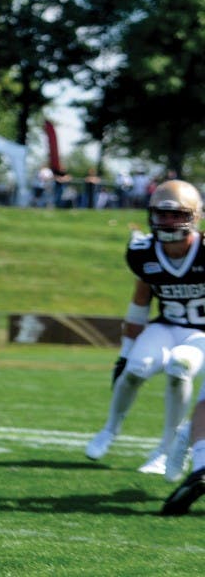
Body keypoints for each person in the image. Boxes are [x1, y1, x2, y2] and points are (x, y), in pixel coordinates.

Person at [83, 181, 205, 487]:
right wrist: (124, 353)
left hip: (201, 333)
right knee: (134, 369)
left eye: (175, 215)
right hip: (166, 325)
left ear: (194, 216)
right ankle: (110, 429)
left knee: (180, 367)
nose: (166, 222)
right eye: (160, 215)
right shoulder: (143, 251)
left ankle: (164, 450)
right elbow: (139, 304)